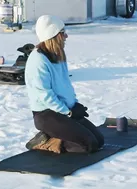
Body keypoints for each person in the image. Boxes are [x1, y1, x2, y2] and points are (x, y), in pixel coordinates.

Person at [24, 15, 104, 154]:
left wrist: (74, 104)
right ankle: (49, 141)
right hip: (46, 115)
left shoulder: (57, 55)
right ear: (54, 35)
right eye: (63, 33)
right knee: (89, 145)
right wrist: (69, 112)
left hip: (63, 110)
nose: (66, 36)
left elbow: (65, 86)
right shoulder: (38, 60)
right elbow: (45, 95)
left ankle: (60, 134)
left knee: (99, 140)